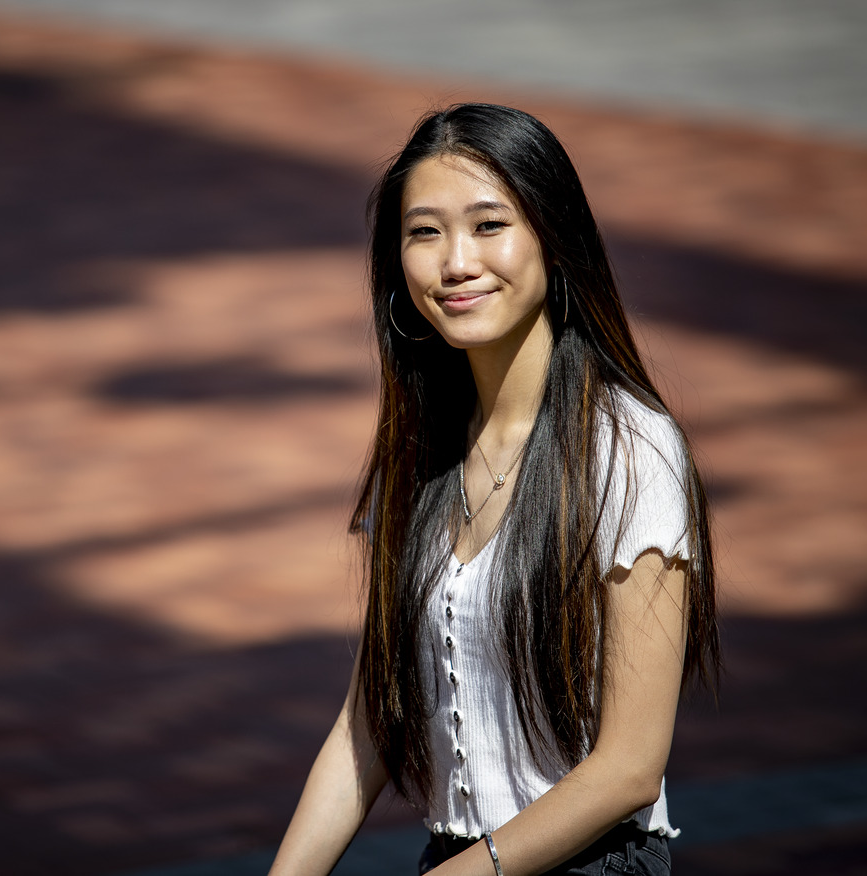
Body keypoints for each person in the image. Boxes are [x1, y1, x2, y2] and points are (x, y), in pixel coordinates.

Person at [267, 104, 720, 876]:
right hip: (457, 859)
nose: (454, 263)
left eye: (488, 225)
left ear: (553, 237)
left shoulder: (627, 447)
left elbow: (629, 769)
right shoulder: (423, 451)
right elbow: (368, 723)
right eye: (423, 232)